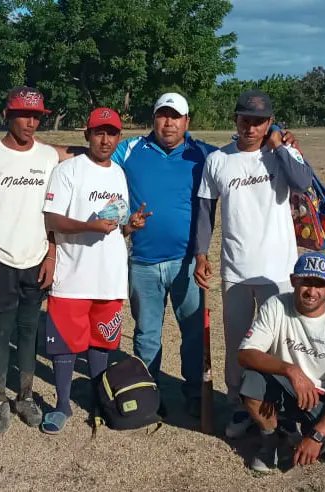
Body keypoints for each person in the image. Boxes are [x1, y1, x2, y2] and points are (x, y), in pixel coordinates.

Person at [194, 89, 314, 438]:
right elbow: (205, 210)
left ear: (269, 124)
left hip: (278, 270)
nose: (251, 127)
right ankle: (238, 404)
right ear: (235, 120)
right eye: (245, 119)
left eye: (259, 122)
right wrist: (202, 253)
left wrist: (279, 146)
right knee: (238, 344)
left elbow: (303, 183)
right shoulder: (218, 160)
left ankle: (281, 406)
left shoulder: (282, 153)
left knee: (281, 342)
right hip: (236, 268)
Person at [106, 92, 216, 416]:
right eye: (162, 115)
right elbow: (90, 161)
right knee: (146, 334)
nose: (168, 122)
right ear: (153, 119)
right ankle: (148, 394)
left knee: (194, 334)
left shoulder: (204, 154)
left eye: (175, 116)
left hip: (187, 263)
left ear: (187, 122)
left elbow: (241, 159)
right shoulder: (129, 150)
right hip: (142, 263)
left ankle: (196, 395)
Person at [40, 107, 149, 434]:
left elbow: (115, 226)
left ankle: (100, 400)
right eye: (99, 132)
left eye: (112, 133)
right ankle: (61, 405)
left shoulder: (118, 172)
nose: (105, 139)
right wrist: (88, 225)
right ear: (87, 134)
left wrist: (131, 226)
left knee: (102, 344)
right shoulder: (69, 170)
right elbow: (51, 219)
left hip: (110, 276)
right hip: (73, 275)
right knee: (65, 346)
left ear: (118, 136)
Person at [0, 87, 59, 433]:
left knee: (29, 331)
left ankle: (24, 395)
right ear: (8, 115)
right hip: (0, 258)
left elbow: (54, 209)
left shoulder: (49, 156)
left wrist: (51, 255)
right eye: (24, 115)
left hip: (36, 257)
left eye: (36, 116)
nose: (30, 122)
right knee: (0, 330)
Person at [238, 252, 325, 471]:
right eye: (305, 282)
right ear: (293, 281)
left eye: (320, 284)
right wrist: (291, 370)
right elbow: (245, 354)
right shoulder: (276, 305)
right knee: (251, 379)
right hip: (287, 384)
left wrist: (317, 436)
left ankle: (307, 432)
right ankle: (271, 438)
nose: (312, 291)